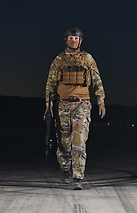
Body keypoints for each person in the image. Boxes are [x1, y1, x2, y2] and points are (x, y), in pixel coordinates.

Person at [44, 27, 106, 190]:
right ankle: (65, 168)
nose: (73, 40)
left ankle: (78, 176)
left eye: (76, 38)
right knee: (64, 142)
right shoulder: (59, 60)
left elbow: (97, 80)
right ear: (66, 40)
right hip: (62, 105)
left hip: (82, 104)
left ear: (80, 40)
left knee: (78, 141)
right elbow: (50, 83)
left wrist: (101, 101)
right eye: (70, 38)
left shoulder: (88, 59)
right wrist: (48, 105)